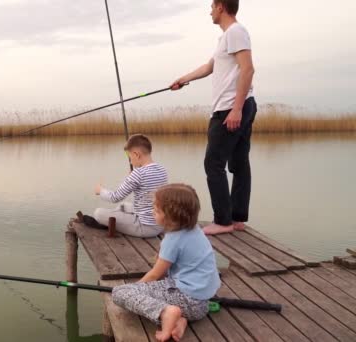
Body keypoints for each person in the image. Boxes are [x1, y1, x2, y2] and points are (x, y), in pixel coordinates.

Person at [170, 0, 257, 235]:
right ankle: (237, 218)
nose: (209, 11)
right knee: (239, 163)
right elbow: (209, 67)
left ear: (221, 7)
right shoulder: (227, 37)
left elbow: (248, 69)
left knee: (213, 164)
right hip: (239, 106)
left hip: (230, 108)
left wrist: (236, 109)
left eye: (211, 6)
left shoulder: (236, 32)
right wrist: (183, 79)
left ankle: (223, 221)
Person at [112, 184, 220, 341]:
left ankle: (166, 313)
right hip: (202, 305)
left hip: (186, 299)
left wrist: (136, 288)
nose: (152, 212)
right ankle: (180, 320)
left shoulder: (173, 240)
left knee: (119, 292)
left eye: (156, 211)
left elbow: (157, 273)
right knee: (153, 294)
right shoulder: (195, 230)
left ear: (171, 216)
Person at [93, 134, 167, 238]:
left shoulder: (138, 173)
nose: (130, 161)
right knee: (123, 206)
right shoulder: (162, 169)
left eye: (130, 157)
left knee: (98, 213)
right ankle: (119, 218)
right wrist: (131, 177)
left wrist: (100, 191)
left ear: (136, 154)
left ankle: (115, 221)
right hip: (159, 224)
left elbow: (115, 197)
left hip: (145, 227)